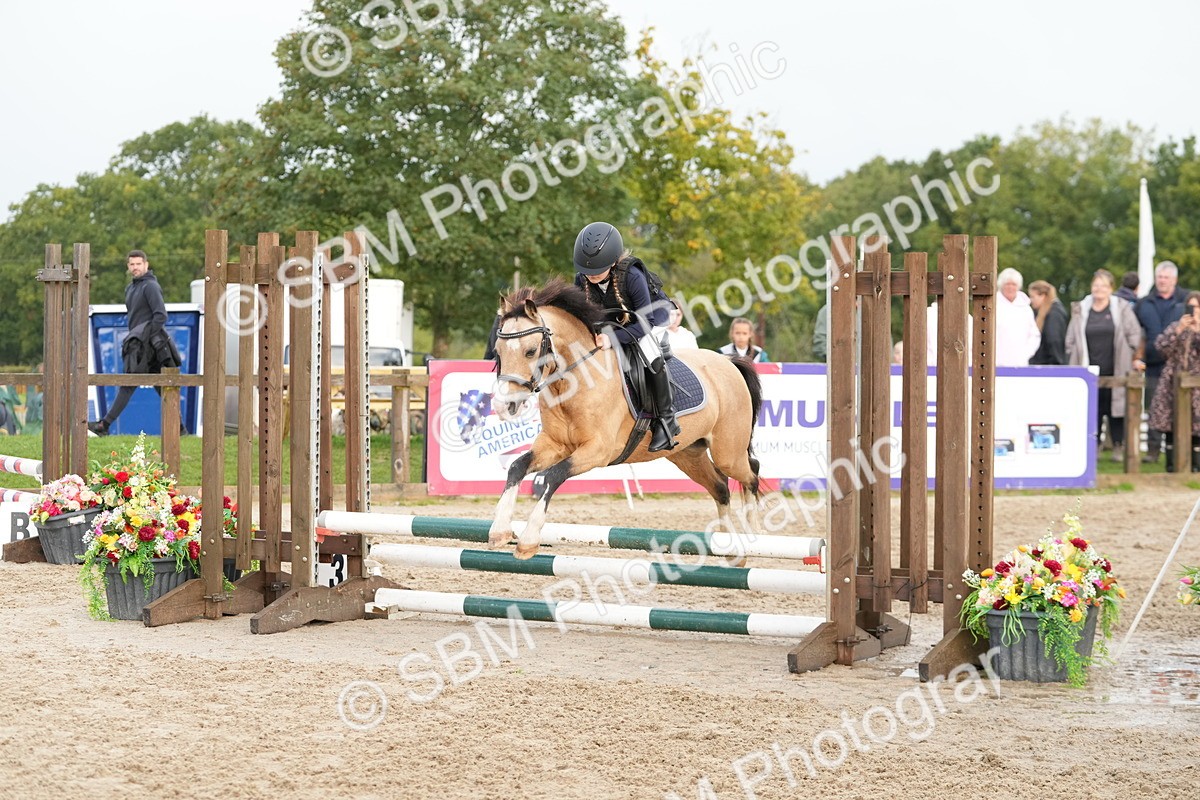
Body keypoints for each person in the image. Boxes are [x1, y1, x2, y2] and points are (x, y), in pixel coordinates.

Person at [572, 222, 679, 452]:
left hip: (651, 320)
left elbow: (645, 323)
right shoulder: (582, 279)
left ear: (612, 262)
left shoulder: (631, 275)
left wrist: (611, 339)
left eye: (597, 269)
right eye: (587, 270)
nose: (590, 275)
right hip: (613, 324)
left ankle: (666, 422)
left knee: (650, 355)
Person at [88, 251, 183, 436]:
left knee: (131, 383)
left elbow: (161, 315)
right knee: (161, 387)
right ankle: (181, 428)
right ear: (128, 266)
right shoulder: (130, 288)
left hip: (147, 346)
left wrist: (145, 341)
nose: (135, 267)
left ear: (146, 265)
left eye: (139, 264)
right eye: (132, 264)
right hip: (139, 345)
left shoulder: (150, 286)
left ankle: (103, 425)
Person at [1065, 269, 1144, 462]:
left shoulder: (1121, 308)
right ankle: (1094, 446)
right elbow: (1071, 338)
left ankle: (1118, 446)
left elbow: (1135, 334)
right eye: (1096, 285)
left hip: (1116, 366)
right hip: (1088, 369)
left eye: (1103, 285)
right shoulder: (1081, 309)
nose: (1098, 289)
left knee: (1116, 409)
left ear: (1111, 288)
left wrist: (1133, 354)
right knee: (1093, 409)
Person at [1135, 261, 1190, 464]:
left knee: (1179, 408)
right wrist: (1137, 356)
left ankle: (1176, 452)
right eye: (1160, 277)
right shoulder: (1144, 303)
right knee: (1154, 409)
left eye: (1166, 277)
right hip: (1153, 364)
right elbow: (1137, 334)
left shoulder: (1185, 301)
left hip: (1179, 366)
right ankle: (1153, 450)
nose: (1162, 281)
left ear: (1174, 279)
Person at [1148, 291, 1200, 472]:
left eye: (1197, 307)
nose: (1194, 311)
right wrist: (1179, 330)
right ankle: (1171, 465)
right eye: (1191, 307)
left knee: (1197, 427)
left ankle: (1195, 466)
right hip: (1173, 383)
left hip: (1197, 384)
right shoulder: (1175, 326)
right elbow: (1160, 347)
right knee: (1170, 425)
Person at [994, 268, 1041, 366]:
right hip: (996, 361)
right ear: (1001, 286)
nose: (1010, 287)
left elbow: (1034, 335)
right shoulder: (993, 305)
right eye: (1007, 284)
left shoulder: (1025, 308)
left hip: (1020, 362)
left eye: (1014, 284)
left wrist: (1025, 354)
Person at [1028, 280, 1069, 365]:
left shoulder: (1054, 313)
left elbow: (1054, 340)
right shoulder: (1047, 312)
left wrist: (1055, 364)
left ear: (1043, 296)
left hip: (1049, 365)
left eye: (1032, 297)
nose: (1031, 300)